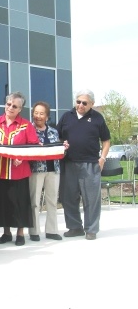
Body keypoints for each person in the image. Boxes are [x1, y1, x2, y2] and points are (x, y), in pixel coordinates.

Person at [57, 89, 110, 240]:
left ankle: (91, 229)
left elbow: (106, 141)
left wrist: (102, 159)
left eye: (84, 103)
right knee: (68, 197)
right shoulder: (67, 116)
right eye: (78, 102)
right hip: (69, 163)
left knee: (92, 199)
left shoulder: (98, 118)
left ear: (92, 104)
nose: (80, 105)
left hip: (91, 164)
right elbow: (58, 136)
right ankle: (75, 228)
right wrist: (62, 144)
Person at [0, 92, 39, 246]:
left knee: (20, 203)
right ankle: (6, 232)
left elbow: (34, 146)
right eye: (8, 104)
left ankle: (20, 233)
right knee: (3, 203)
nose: (10, 107)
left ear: (20, 109)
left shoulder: (26, 125)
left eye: (14, 106)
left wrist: (21, 157)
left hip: (19, 172)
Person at [28, 101, 68, 241]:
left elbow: (58, 150)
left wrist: (64, 147)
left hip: (53, 170)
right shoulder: (28, 130)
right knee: (34, 201)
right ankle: (34, 232)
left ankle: (52, 230)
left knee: (52, 201)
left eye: (41, 113)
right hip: (36, 170)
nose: (38, 116)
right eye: (36, 113)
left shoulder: (53, 131)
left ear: (47, 116)